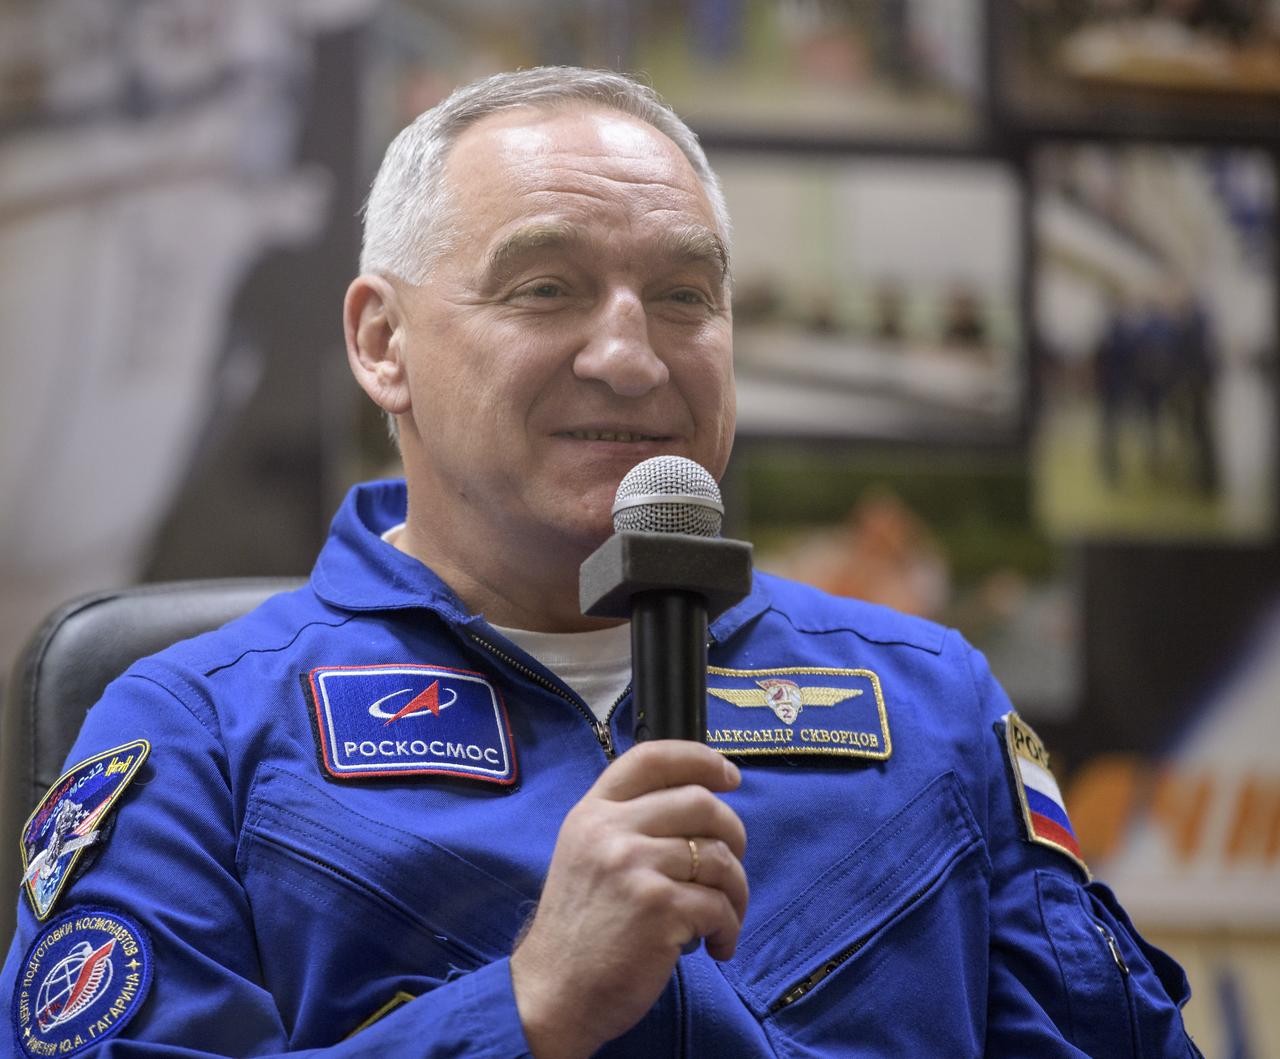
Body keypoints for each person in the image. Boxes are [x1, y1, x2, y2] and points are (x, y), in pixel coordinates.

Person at [3, 67, 1200, 1057]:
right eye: (545, 289)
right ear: (381, 343)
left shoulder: (928, 701)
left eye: (683, 295)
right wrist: (529, 1004)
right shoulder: (199, 731)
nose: (631, 358)